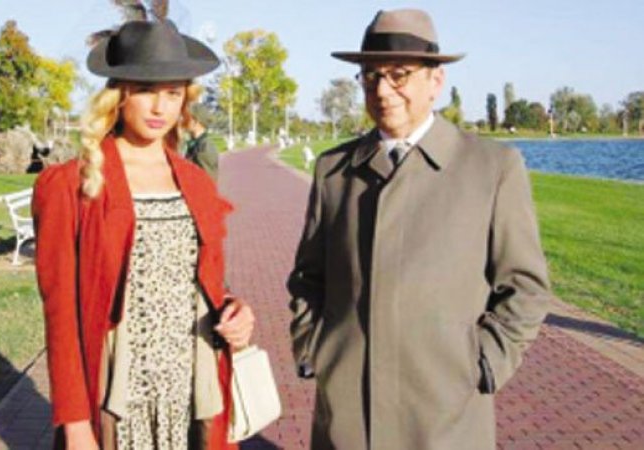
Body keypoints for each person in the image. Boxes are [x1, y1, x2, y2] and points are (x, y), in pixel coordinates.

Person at [287, 9, 551, 450]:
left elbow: (525, 286)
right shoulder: (334, 170)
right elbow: (308, 277)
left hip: (446, 416)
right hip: (347, 416)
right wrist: (315, 348)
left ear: (435, 81)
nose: (382, 90)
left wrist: (486, 362)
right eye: (371, 76)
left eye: (399, 75)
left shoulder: (492, 168)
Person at [32, 13, 255, 450]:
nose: (160, 108)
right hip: (117, 394)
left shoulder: (194, 181)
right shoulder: (72, 184)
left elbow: (206, 282)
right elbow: (61, 314)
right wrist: (75, 423)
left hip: (189, 387)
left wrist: (235, 310)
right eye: (146, 91)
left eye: (173, 93)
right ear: (119, 94)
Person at [182, 109, 219, 180]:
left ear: (196, 122)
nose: (184, 121)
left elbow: (207, 178)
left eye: (187, 118)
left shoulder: (206, 146)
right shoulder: (194, 143)